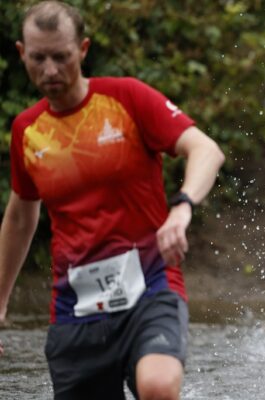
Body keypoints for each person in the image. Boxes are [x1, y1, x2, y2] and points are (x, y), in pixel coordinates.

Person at [0, 2, 225, 399]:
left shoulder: (127, 98)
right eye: (38, 58)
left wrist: (182, 206)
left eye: (61, 57)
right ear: (21, 53)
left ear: (83, 49)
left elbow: (206, 150)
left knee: (157, 386)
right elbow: (20, 217)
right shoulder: (27, 130)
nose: (50, 70)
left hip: (151, 284)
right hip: (76, 305)